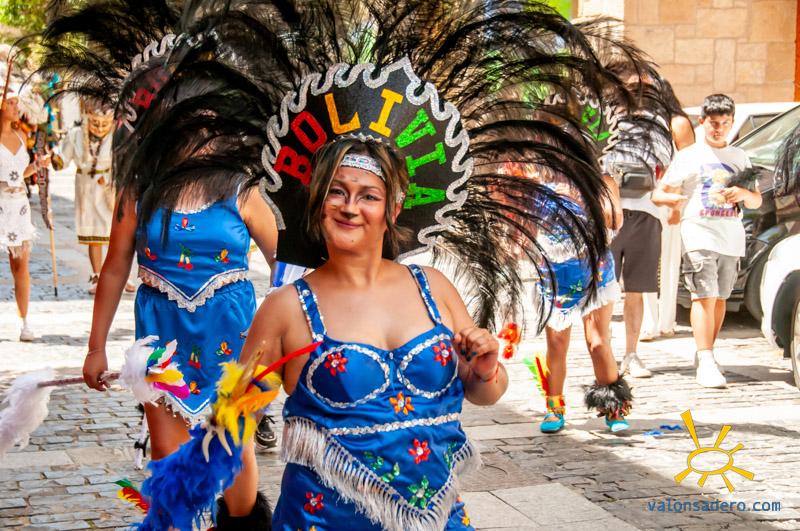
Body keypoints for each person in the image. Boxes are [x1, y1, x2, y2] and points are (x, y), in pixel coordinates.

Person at [239, 138, 507, 529]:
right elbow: (233, 426)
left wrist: (485, 370)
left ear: (392, 209)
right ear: (317, 202)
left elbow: (486, 393)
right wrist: (239, 517)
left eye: (368, 196)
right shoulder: (285, 308)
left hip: (436, 517)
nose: (350, 207)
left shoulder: (433, 287)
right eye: (336, 192)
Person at [652, 94, 761, 388]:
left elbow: (755, 200)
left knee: (720, 298)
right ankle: (707, 359)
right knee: (703, 295)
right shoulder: (689, 156)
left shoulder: (739, 157)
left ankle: (706, 354)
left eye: (725, 123)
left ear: (732, 123)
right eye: (714, 123)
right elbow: (659, 194)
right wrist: (674, 201)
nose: (719, 129)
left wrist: (743, 194)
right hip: (698, 232)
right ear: (702, 122)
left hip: (731, 236)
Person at [534, 177, 633, 434]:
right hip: (556, 275)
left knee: (597, 342)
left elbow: (615, 222)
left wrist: (586, 199)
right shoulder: (539, 181)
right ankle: (554, 408)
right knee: (556, 344)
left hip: (595, 271)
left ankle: (614, 407)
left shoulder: (602, 181)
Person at [60, 99, 136, 294]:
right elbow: (62, 159)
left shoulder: (117, 134)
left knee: (116, 233)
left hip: (109, 187)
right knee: (93, 232)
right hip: (86, 187)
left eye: (104, 123)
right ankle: (97, 275)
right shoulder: (76, 134)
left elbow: (127, 160)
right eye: (96, 122)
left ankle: (121, 275)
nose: (100, 127)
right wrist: (51, 159)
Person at [640, 80, 696, 341]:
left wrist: (676, 203)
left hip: (670, 197)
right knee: (645, 261)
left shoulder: (678, 123)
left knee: (669, 262)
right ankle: (649, 321)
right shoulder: (642, 123)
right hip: (643, 198)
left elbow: (687, 165)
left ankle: (666, 320)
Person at [0, 86, 49, 341]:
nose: (15, 107)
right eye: (10, 102)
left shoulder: (20, 135)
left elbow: (21, 172)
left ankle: (24, 321)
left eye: (16, 102)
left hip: (19, 206)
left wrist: (37, 165)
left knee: (20, 266)